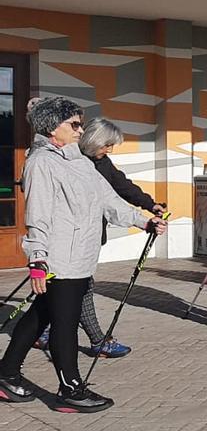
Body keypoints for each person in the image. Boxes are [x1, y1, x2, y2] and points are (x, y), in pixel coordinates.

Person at [0, 97, 166, 413]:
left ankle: (6, 373)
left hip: (81, 257)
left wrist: (143, 220)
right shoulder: (41, 163)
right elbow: (38, 216)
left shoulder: (80, 162)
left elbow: (109, 200)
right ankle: (70, 390)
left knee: (40, 316)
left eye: (80, 123)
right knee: (64, 323)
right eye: (74, 124)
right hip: (58, 259)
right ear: (52, 128)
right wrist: (37, 259)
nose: (80, 130)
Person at [32, 117, 167, 358]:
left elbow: (121, 188)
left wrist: (150, 205)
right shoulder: (64, 160)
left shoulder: (101, 163)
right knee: (79, 290)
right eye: (106, 145)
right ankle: (96, 340)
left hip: (89, 238)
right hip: (63, 241)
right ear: (93, 141)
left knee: (65, 292)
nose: (109, 150)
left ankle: (44, 333)